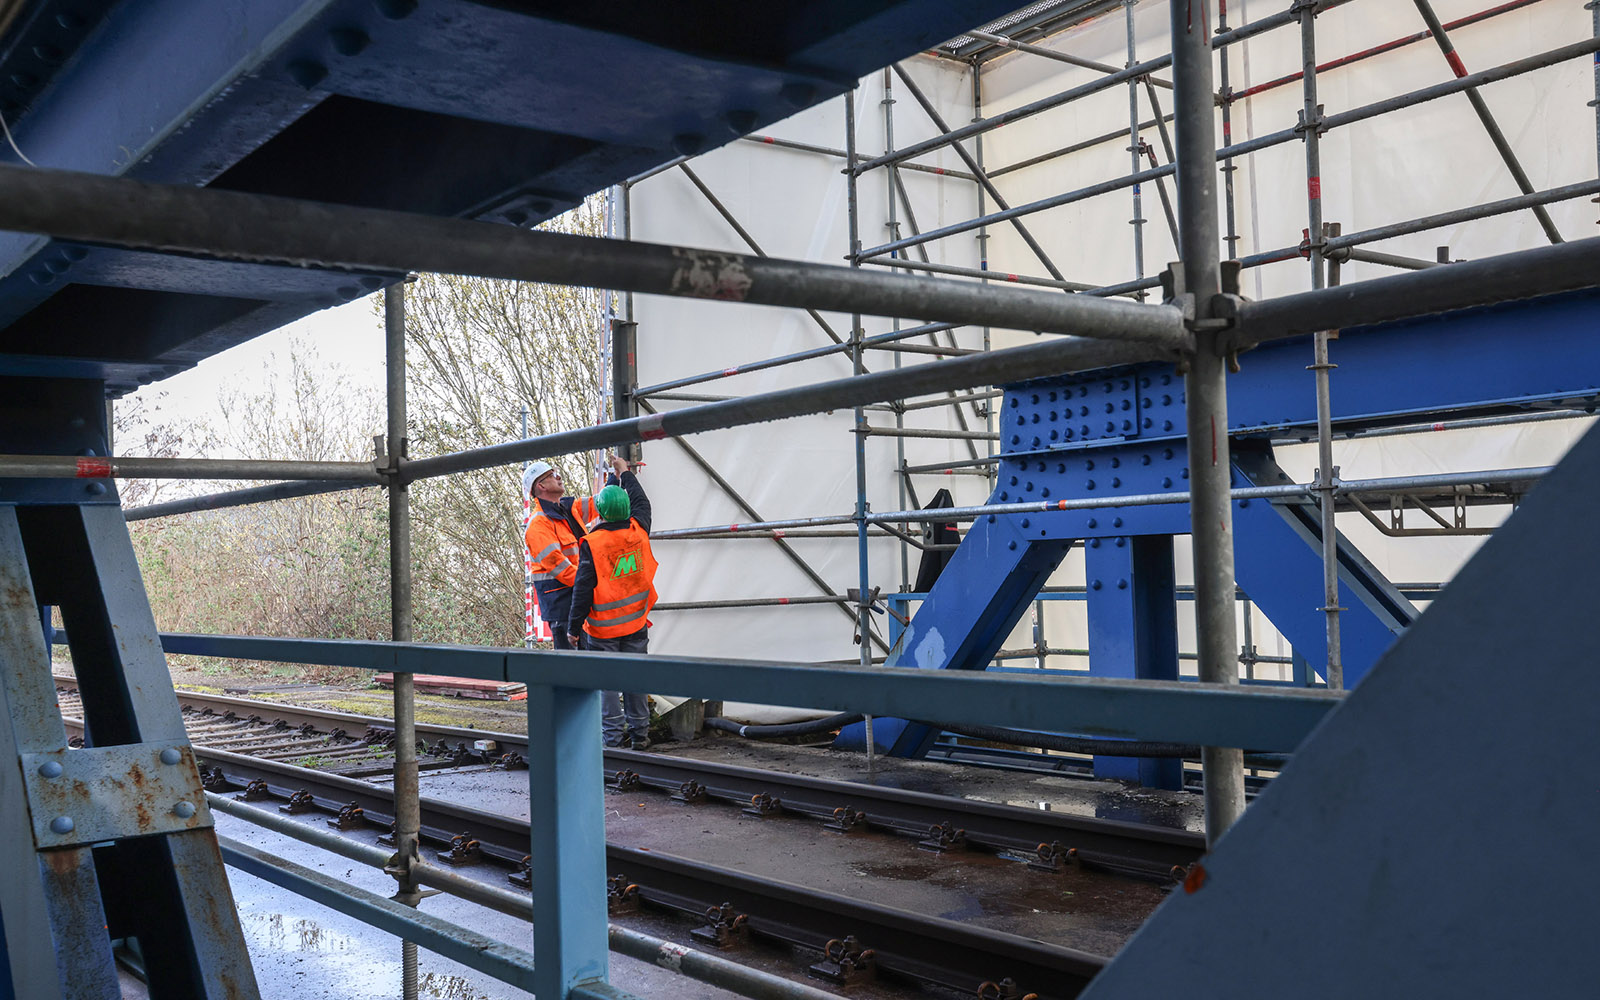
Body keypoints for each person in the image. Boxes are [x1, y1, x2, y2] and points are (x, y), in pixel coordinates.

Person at [568, 463, 656, 749]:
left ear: (602, 513)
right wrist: (624, 473)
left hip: (604, 630)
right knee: (636, 679)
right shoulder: (639, 530)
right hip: (636, 622)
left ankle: (613, 738)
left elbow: (582, 589)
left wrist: (573, 627)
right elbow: (642, 502)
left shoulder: (593, 543)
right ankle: (641, 735)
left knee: (607, 685)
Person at [522, 456, 626, 650]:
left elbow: (602, 502)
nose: (559, 477)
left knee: (584, 665)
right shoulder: (538, 525)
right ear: (541, 486)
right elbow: (561, 569)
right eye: (553, 475)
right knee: (570, 668)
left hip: (578, 602)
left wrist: (616, 476)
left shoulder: (569, 509)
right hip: (562, 608)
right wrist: (595, 584)